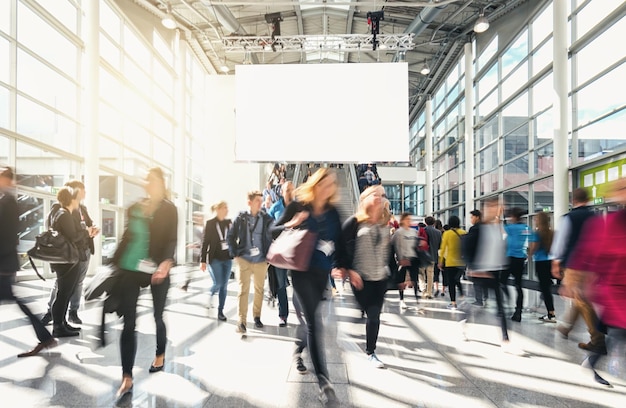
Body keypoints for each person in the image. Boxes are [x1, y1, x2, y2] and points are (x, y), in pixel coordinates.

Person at [274, 168, 342, 406]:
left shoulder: (333, 213)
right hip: (301, 272)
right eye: (325, 182)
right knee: (315, 322)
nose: (329, 187)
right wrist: (292, 223)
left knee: (310, 321)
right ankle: (325, 383)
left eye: (332, 184)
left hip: (322, 273)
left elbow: (340, 242)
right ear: (316, 183)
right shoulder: (299, 205)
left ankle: (298, 349)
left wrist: (342, 265)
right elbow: (273, 230)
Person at [112, 167, 177, 401]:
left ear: (161, 183)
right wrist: (113, 264)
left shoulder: (170, 209)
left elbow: (172, 238)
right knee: (129, 323)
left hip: (159, 269)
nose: (148, 184)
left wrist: (167, 262)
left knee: (158, 315)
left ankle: (160, 354)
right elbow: (126, 237)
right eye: (147, 181)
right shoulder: (136, 207)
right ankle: (127, 377)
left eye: (153, 181)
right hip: (131, 269)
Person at [567, 177, 626, 386]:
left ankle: (591, 361)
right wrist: (577, 281)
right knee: (620, 331)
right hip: (617, 287)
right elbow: (589, 251)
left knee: (619, 332)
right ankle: (592, 361)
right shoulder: (608, 223)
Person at [0, 165, 57, 357]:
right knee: (18, 302)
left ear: (6, 180)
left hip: (4, 263)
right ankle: (45, 337)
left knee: (17, 301)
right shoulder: (7, 200)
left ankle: (45, 337)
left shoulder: (8, 202)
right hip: (5, 262)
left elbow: (7, 235)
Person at [337, 185, 391, 369]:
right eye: (376, 195)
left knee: (374, 314)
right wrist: (349, 270)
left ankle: (371, 351)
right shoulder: (355, 222)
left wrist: (400, 276)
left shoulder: (385, 223)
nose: (380, 198)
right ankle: (358, 319)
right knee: (367, 310)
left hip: (380, 277)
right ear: (365, 198)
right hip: (360, 277)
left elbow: (388, 252)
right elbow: (340, 245)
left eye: (382, 195)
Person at [464, 197, 523, 354]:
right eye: (492, 207)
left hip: (494, 273)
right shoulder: (477, 229)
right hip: (479, 272)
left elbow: (502, 248)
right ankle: (466, 321)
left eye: (497, 207)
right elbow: (465, 247)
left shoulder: (499, 228)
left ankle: (505, 338)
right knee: (478, 304)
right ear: (485, 209)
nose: (496, 209)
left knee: (501, 306)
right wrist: (473, 267)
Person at [550, 187, 606, 354]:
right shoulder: (596, 217)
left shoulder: (569, 218)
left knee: (581, 299)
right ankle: (565, 328)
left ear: (573, 200)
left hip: (574, 264)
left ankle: (597, 340)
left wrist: (555, 262)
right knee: (579, 297)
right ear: (588, 199)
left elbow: (561, 241)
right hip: (592, 265)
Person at [41, 180, 100, 326]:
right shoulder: (60, 208)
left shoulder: (82, 208)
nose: (85, 192)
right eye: (82, 189)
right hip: (70, 252)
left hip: (83, 249)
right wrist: (85, 232)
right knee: (62, 284)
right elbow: (60, 230)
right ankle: (52, 313)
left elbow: (88, 224)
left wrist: (92, 230)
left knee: (77, 282)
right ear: (74, 192)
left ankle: (72, 312)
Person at [227, 190, 274, 333]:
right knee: (243, 290)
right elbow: (230, 236)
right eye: (257, 201)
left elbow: (273, 234)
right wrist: (235, 254)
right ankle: (241, 322)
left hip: (260, 260)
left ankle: (257, 316)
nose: (260, 203)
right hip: (244, 259)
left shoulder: (266, 218)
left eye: (261, 201)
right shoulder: (241, 217)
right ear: (249, 202)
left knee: (259, 289)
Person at [48, 186, 91, 338]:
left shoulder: (62, 213)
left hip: (65, 260)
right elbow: (73, 237)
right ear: (72, 199)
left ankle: (61, 322)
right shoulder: (64, 214)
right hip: (65, 261)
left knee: (65, 293)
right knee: (63, 293)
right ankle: (58, 326)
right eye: (76, 197)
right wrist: (86, 232)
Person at [267, 181, 295, 326]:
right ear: (282, 192)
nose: (290, 192)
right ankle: (283, 315)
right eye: (287, 190)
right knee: (281, 285)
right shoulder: (275, 207)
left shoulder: (299, 207)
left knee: (299, 284)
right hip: (281, 252)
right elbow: (269, 227)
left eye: (292, 189)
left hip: (297, 252)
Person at [200, 201, 233, 322]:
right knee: (218, 283)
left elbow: (233, 238)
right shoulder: (210, 224)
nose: (227, 210)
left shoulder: (229, 223)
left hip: (228, 259)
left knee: (224, 286)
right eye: (225, 208)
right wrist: (202, 260)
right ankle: (209, 297)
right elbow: (205, 243)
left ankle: (220, 311)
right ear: (218, 209)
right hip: (215, 259)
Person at [501, 207, 529, 322]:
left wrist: (501, 217)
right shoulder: (526, 228)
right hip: (520, 259)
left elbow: (501, 229)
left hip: (510, 258)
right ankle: (518, 311)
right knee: (519, 286)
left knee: (502, 281)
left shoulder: (511, 228)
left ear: (513, 217)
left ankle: (507, 302)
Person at [528, 212, 555, 323]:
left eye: (536, 219)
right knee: (546, 286)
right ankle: (546, 308)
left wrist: (529, 254)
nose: (534, 220)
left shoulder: (537, 234)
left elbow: (534, 247)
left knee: (544, 288)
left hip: (540, 262)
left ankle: (551, 313)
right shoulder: (552, 233)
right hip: (550, 261)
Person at [392, 213, 420, 309]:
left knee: (414, 279)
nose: (409, 221)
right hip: (403, 259)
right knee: (401, 280)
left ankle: (417, 299)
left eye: (410, 219)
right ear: (402, 220)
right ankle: (401, 299)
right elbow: (396, 246)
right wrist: (400, 258)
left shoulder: (413, 232)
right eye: (407, 219)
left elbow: (416, 244)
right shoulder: (399, 232)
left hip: (413, 258)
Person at [437, 215, 465, 310]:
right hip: (462, 262)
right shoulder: (464, 232)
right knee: (457, 279)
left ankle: (453, 303)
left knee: (451, 283)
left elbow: (443, 248)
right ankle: (462, 294)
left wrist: (440, 261)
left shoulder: (447, 234)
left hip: (450, 262)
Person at [467, 210, 487, 307]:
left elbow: (470, 245)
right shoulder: (486, 228)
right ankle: (485, 297)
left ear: (477, 217)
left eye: (472, 217)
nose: (471, 219)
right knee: (484, 278)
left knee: (477, 280)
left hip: (476, 258)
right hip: (486, 257)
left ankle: (479, 300)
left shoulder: (474, 229)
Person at [423, 216, 441, 299]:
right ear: (434, 223)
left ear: (425, 222)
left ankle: (423, 289)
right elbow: (440, 245)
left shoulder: (423, 230)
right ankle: (429, 292)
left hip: (423, 256)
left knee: (421, 273)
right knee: (430, 275)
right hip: (433, 256)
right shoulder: (438, 232)